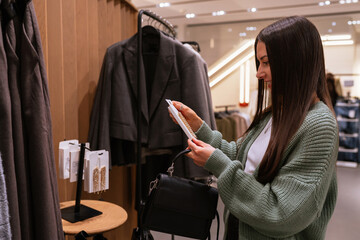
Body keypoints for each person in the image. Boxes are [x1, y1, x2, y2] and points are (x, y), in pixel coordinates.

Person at [169, 16, 338, 240]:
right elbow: (242, 158)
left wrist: (217, 163)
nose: (259, 73)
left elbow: (281, 213)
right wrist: (200, 128)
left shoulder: (319, 126)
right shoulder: (278, 113)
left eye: (266, 62)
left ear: (295, 61)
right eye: (259, 63)